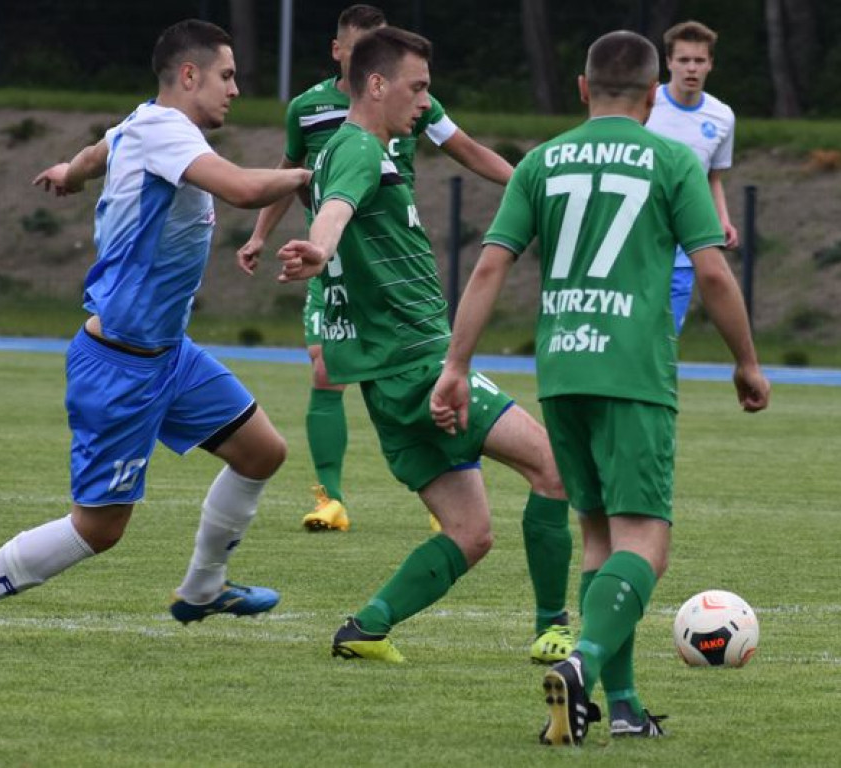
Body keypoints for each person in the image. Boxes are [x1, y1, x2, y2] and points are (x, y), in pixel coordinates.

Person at [431, 30, 770, 745]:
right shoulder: (672, 159)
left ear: (583, 89)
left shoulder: (540, 162)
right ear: (652, 98)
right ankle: (583, 663)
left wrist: (457, 366)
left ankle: (623, 706)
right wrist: (746, 361)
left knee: (598, 537)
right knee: (645, 542)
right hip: (633, 371)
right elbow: (712, 272)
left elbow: (490, 267)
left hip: (562, 370)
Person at [0, 19, 315, 645]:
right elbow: (245, 190)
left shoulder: (142, 125)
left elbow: (99, 151)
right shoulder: (166, 132)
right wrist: (308, 174)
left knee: (261, 452)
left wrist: (71, 171)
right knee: (98, 528)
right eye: (226, 76)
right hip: (120, 366)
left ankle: (202, 589)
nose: (235, 89)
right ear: (189, 75)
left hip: (169, 355)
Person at [276, 25, 573, 665]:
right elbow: (337, 210)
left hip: (387, 376)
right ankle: (554, 628)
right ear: (375, 85)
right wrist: (319, 247)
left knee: (470, 533)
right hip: (418, 363)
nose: (424, 101)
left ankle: (367, 628)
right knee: (554, 468)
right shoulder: (358, 148)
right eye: (417, 88)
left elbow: (334, 204)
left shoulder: (353, 148)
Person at [236, 4, 513, 535]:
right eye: (362, 45)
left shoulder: (415, 100)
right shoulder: (309, 109)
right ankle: (331, 498)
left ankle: (447, 493)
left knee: (426, 367)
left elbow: (467, 149)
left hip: (387, 257)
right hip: (331, 258)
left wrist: (524, 183)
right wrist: (260, 235)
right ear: (340, 52)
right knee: (326, 370)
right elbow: (291, 174)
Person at [645, 20, 738, 334]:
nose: (691, 68)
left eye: (699, 60)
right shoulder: (645, 104)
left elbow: (712, 178)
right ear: (669, 62)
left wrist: (722, 220)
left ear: (710, 64)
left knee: (667, 332)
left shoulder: (722, 116)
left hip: (684, 239)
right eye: (684, 60)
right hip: (640, 235)